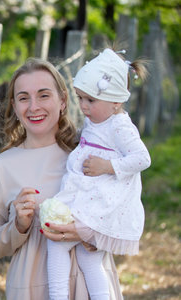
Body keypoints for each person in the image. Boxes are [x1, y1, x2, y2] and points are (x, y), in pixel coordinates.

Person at [0, 57, 123, 299]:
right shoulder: (0, 168)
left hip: (93, 286)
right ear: (14, 107)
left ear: (63, 100)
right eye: (24, 98)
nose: (33, 106)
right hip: (33, 288)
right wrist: (18, 226)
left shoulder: (90, 153)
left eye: (44, 95)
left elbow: (123, 215)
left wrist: (90, 233)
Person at [43, 48, 151, 300]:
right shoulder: (97, 120)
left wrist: (107, 166)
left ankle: (58, 296)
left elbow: (142, 158)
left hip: (99, 206)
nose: (83, 106)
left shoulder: (120, 126)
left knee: (57, 243)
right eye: (80, 98)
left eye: (90, 101)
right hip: (85, 199)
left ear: (116, 102)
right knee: (86, 257)